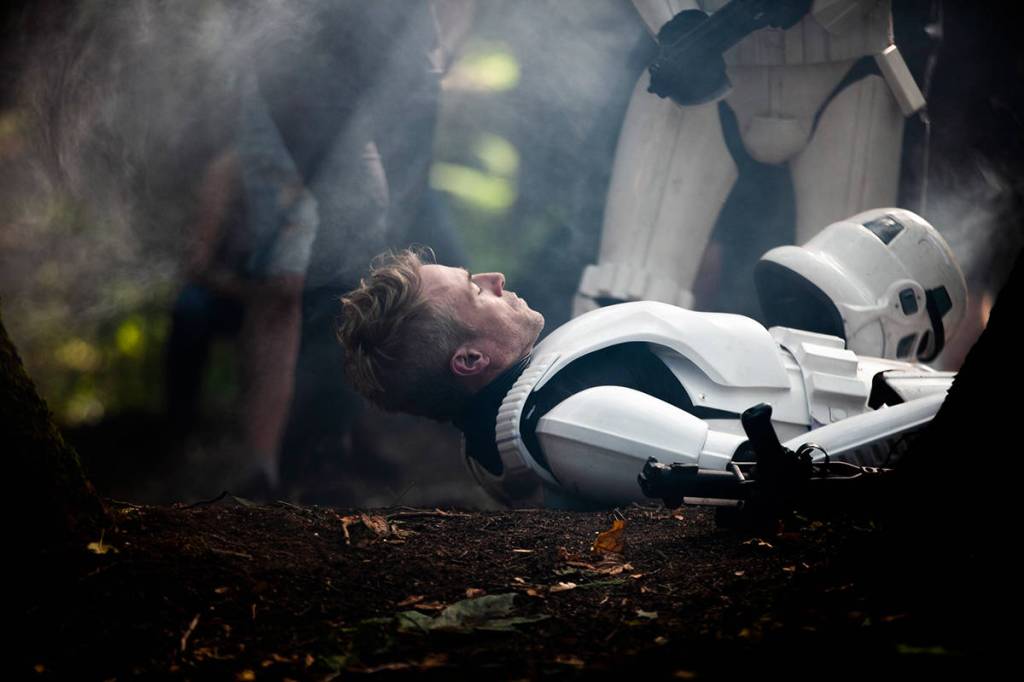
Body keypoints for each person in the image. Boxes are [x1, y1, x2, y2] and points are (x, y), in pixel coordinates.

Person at [338, 209, 966, 509]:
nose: (497, 278)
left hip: (877, 394)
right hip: (896, 430)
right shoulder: (570, 421)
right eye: (476, 289)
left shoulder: (541, 395)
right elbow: (767, 475)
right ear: (471, 359)